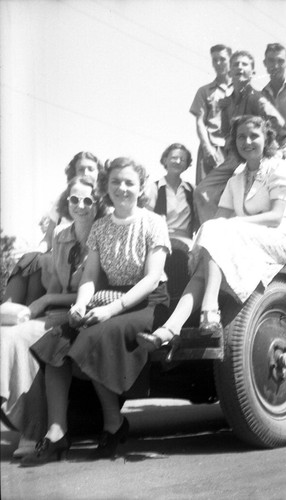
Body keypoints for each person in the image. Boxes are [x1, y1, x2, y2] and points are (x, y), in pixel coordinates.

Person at [22, 158, 171, 466]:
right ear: (106, 186)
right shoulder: (101, 227)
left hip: (147, 302)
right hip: (106, 299)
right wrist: (79, 305)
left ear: (141, 187)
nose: (122, 188)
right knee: (58, 338)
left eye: (129, 182)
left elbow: (151, 278)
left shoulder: (153, 222)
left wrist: (111, 310)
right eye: (115, 182)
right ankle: (56, 433)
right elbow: (89, 276)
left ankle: (113, 424)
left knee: (96, 335)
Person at [137, 115, 286, 352]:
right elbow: (219, 220)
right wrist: (211, 236)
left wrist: (229, 225)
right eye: (241, 137)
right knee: (206, 258)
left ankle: (209, 307)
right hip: (243, 236)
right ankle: (172, 327)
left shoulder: (279, 169)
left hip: (277, 236)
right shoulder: (236, 178)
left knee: (215, 235)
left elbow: (275, 216)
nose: (247, 141)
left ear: (266, 138)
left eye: (254, 135)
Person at [1, 176, 104, 458]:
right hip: (59, 311)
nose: (80, 206)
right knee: (9, 335)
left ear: (97, 203)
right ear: (66, 202)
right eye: (74, 200)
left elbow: (98, 291)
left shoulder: (104, 232)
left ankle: (33, 430)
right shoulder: (61, 235)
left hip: (87, 311)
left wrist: (46, 301)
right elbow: (57, 286)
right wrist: (41, 307)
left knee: (22, 337)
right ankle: (31, 425)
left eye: (87, 200)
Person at [193, 50, 285, 224]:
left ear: (253, 72)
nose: (240, 68)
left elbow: (277, 122)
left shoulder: (256, 97)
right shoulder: (228, 103)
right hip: (235, 158)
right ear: (229, 72)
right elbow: (228, 132)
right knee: (202, 191)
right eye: (236, 64)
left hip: (257, 157)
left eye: (245, 64)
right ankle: (214, 235)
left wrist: (263, 145)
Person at [4, 152, 103, 305]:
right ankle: (9, 309)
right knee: (31, 260)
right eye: (81, 169)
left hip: (82, 258)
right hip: (59, 251)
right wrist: (37, 251)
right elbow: (49, 236)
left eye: (91, 169)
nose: (86, 173)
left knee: (40, 266)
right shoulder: (64, 200)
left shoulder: (102, 203)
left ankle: (30, 309)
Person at [190, 44, 232, 185]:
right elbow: (200, 121)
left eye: (222, 59)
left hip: (235, 150)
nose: (218, 63)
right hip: (212, 147)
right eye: (215, 60)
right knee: (205, 195)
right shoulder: (204, 91)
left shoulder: (242, 90)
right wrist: (207, 147)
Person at [147, 143, 195, 240]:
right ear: (165, 160)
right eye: (174, 158)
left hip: (185, 242)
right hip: (159, 240)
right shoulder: (153, 188)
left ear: (187, 164)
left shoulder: (192, 190)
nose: (178, 162)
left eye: (182, 159)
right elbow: (147, 220)